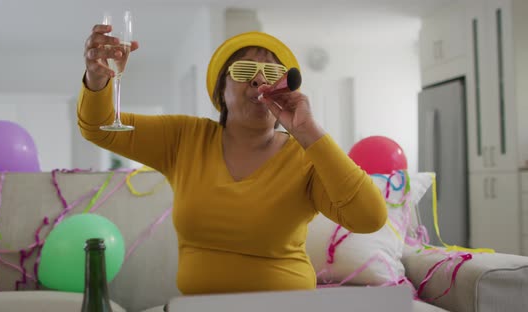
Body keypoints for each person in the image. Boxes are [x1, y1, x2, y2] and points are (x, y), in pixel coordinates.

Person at [79, 27, 387, 295]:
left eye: (270, 74)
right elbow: (99, 127)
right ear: (221, 91)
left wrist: (310, 134)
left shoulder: (304, 157)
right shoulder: (184, 137)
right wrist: (96, 78)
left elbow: (370, 218)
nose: (257, 80)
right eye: (243, 71)